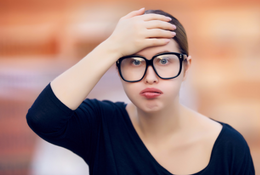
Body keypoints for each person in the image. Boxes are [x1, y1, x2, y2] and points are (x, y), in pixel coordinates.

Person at [26, 8, 255, 175]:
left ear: (185, 68)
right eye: (135, 62)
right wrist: (112, 45)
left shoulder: (229, 146)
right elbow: (42, 118)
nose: (150, 76)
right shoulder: (101, 125)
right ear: (117, 68)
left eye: (164, 61)